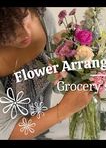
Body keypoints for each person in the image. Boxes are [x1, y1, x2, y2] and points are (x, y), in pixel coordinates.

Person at [0, 8, 93, 140]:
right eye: (9, 29)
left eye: (24, 17)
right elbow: (6, 132)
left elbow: (52, 82)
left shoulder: (43, 19)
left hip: (44, 133)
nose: (26, 33)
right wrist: (63, 110)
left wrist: (67, 71)